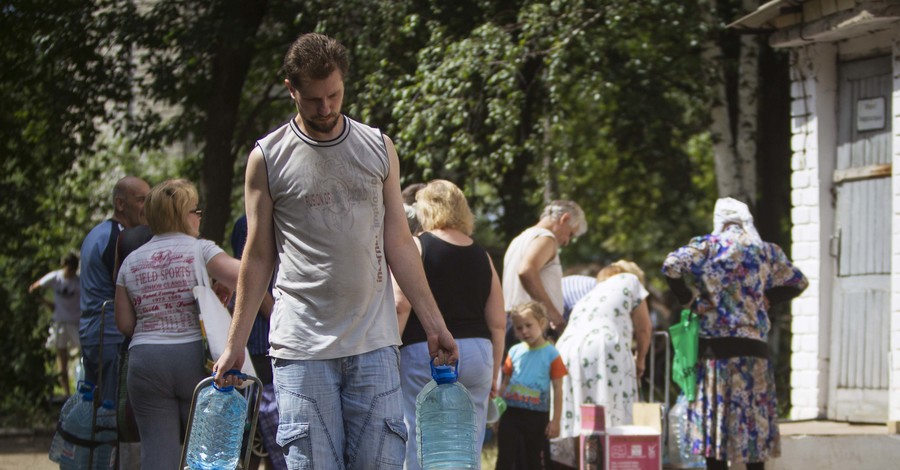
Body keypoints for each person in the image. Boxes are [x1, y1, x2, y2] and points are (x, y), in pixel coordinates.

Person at [212, 33, 458, 469]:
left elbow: (399, 242)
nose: (325, 109)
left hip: (375, 344)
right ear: (291, 88)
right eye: (312, 99)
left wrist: (434, 322)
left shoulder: (378, 148)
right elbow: (258, 254)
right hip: (301, 349)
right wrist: (234, 342)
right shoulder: (267, 158)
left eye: (334, 95)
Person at [661, 197, 809, 470]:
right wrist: (768, 298)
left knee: (715, 429)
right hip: (755, 352)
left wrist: (687, 298)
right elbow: (798, 282)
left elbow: (671, 265)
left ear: (720, 221)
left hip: (714, 354)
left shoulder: (707, 245)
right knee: (753, 432)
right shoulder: (767, 251)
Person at [114, 179, 245, 470]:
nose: (199, 217)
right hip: (194, 360)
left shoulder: (130, 262)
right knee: (207, 455)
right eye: (195, 211)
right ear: (182, 215)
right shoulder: (200, 250)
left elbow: (124, 324)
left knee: (156, 453)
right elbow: (244, 275)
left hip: (145, 360)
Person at [392, 179, 506, 469]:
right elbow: (498, 323)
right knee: (469, 443)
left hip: (426, 354)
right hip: (478, 355)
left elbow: (400, 305)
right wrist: (495, 373)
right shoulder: (483, 255)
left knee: (421, 441)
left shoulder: (417, 247)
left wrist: (389, 356)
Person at [552, 260, 652, 467]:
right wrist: (640, 359)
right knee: (612, 413)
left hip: (567, 349)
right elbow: (644, 328)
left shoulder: (588, 295)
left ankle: (582, 465)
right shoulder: (631, 281)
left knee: (582, 416)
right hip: (604, 346)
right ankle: (612, 462)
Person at [79, 175, 150, 404]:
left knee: (94, 406)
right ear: (120, 204)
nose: (147, 207)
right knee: (113, 408)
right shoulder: (118, 238)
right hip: (110, 335)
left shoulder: (97, 233)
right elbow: (129, 288)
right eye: (141, 200)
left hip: (92, 333)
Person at [230, 214, 285, 470]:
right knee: (255, 436)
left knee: (274, 434)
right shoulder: (250, 222)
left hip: (276, 339)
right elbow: (250, 274)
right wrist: (280, 319)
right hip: (260, 343)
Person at [496, 301, 567, 470]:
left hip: (536, 417)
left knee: (533, 460)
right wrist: (497, 413)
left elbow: (558, 389)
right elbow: (505, 382)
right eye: (519, 328)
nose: (524, 331)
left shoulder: (552, 354)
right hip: (510, 414)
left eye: (529, 325)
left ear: (542, 323)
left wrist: (555, 421)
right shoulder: (514, 351)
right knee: (504, 458)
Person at [502, 200, 587, 340]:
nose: (566, 241)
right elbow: (526, 270)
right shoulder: (546, 238)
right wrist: (552, 313)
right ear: (564, 218)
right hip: (533, 326)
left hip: (514, 322)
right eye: (570, 234)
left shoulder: (519, 240)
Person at [29, 252, 81, 395]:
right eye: (68, 269)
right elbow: (34, 288)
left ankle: (83, 389)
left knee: (84, 354)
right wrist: (47, 303)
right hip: (60, 322)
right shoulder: (55, 278)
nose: (69, 273)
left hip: (76, 322)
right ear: (63, 266)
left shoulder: (78, 282)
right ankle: (66, 394)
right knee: (62, 358)